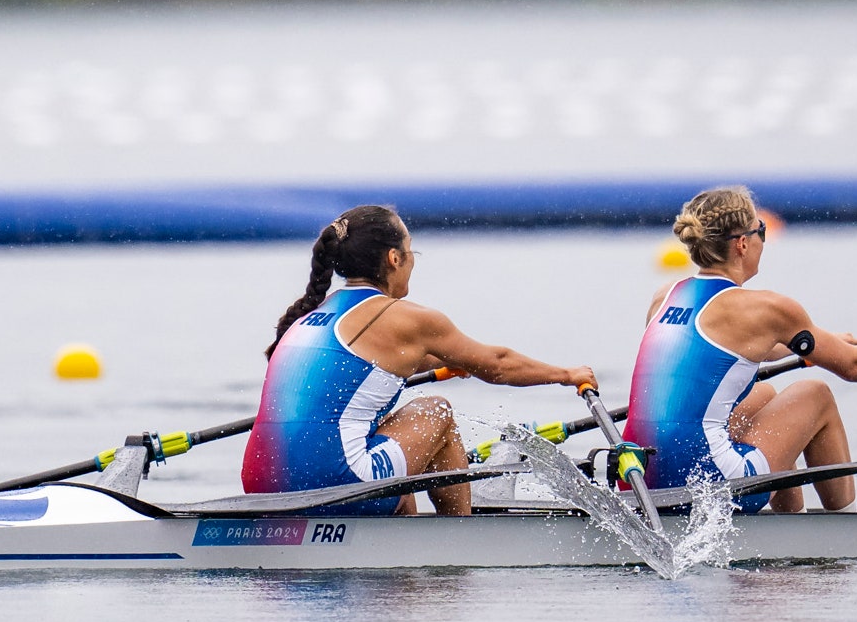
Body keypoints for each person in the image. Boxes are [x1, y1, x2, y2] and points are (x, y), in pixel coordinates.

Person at [243, 204, 597, 514]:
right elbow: (498, 364)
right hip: (334, 482)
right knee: (436, 411)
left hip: (259, 478)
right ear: (394, 259)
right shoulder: (408, 319)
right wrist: (567, 373)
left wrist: (451, 360)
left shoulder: (312, 313)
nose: (413, 261)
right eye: (412, 251)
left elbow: (393, 357)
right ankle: (461, 540)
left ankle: (404, 545)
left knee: (381, 438)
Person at [625, 185, 857, 513]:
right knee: (814, 395)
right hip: (705, 483)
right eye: (760, 230)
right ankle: (845, 526)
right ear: (742, 243)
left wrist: (819, 344)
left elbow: (729, 349)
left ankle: (790, 523)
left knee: (763, 395)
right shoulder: (766, 308)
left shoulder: (666, 295)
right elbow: (855, 366)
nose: (763, 239)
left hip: (638, 477)